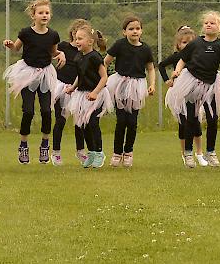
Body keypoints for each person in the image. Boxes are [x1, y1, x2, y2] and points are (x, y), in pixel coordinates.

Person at [166, 11, 220, 168]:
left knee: (213, 119)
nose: (209, 25)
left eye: (212, 23)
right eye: (206, 23)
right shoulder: (196, 43)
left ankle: (210, 151)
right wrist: (177, 71)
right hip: (192, 83)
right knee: (191, 119)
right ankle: (188, 152)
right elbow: (182, 59)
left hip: (211, 85)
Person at [2, 0, 65, 165]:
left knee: (46, 110)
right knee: (28, 111)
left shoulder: (53, 35)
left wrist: (61, 54)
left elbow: (53, 53)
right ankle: (23, 144)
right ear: (33, 15)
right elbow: (17, 48)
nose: (44, 15)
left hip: (45, 74)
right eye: (40, 13)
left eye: (47, 13)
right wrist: (10, 45)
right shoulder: (26, 33)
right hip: (27, 74)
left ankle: (45, 143)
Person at [104, 16, 156, 168]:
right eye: (131, 29)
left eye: (137, 28)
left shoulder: (145, 48)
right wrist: (103, 78)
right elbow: (106, 61)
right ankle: (117, 152)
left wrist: (152, 84)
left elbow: (151, 68)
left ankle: (128, 152)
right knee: (121, 121)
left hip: (137, 86)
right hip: (120, 84)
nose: (135, 31)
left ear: (141, 31)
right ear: (124, 32)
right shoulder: (120, 45)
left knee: (132, 122)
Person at [65, 23, 113, 168]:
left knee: (93, 123)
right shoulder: (79, 56)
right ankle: (91, 153)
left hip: (97, 95)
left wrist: (95, 92)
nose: (77, 41)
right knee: (83, 125)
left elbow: (104, 77)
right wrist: (73, 87)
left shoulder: (95, 57)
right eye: (76, 38)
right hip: (82, 95)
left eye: (80, 39)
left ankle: (99, 153)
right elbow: (80, 75)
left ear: (90, 42)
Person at [158, 25, 205, 167]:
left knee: (196, 123)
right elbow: (161, 65)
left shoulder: (198, 57)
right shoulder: (177, 57)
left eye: (191, 42)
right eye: (184, 42)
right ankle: (185, 153)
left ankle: (199, 153)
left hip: (194, 93)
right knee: (183, 123)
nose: (187, 45)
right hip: (179, 95)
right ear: (178, 44)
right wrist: (167, 80)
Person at [52, 19, 88, 166]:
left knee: (80, 122)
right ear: (72, 33)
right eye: (76, 32)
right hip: (61, 88)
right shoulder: (63, 47)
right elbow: (51, 54)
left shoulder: (84, 52)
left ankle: (80, 151)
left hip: (77, 89)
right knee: (60, 120)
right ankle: (56, 152)